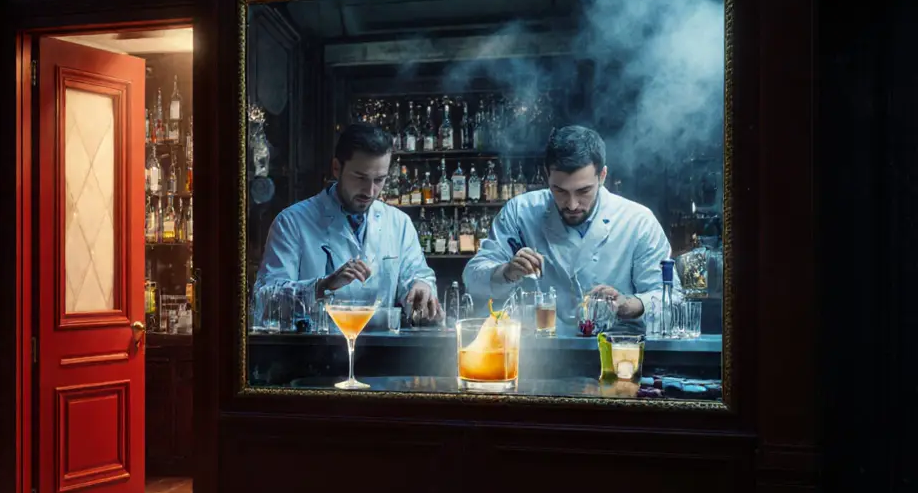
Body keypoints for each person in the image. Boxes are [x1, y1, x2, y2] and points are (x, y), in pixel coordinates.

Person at [462, 125, 677, 331]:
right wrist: (506, 272)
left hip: (613, 352)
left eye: (583, 191)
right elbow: (473, 278)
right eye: (560, 190)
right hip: (539, 352)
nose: (572, 204)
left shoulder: (638, 222)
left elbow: (672, 299)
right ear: (547, 176)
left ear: (602, 176)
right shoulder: (520, 213)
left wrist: (631, 305)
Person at [254, 122, 442, 324]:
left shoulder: (399, 223)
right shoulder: (292, 223)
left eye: (379, 180)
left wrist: (421, 287)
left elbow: (417, 276)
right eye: (360, 177)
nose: (370, 191)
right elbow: (264, 301)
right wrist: (322, 286)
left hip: (384, 350)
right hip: (314, 351)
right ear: (337, 168)